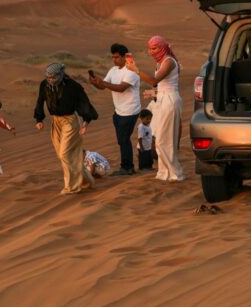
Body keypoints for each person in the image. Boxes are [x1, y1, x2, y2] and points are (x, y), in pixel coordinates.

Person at [34, 62, 99, 195]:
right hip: (56, 121)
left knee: (65, 153)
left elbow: (84, 103)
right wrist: (39, 119)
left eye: (53, 77)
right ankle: (87, 181)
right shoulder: (44, 85)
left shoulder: (73, 86)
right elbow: (40, 101)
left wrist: (86, 122)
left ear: (60, 75)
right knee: (64, 155)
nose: (50, 80)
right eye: (48, 77)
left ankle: (71, 187)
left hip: (70, 121)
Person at [134, 36, 185, 182]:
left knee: (164, 139)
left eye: (154, 48)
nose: (151, 51)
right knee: (161, 138)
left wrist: (136, 70)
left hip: (170, 101)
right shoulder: (160, 62)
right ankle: (165, 173)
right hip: (162, 100)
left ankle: (175, 173)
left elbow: (154, 81)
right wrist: (153, 93)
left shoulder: (168, 61)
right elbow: (161, 86)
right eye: (150, 48)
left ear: (162, 47)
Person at [88, 43, 142, 176]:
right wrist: (96, 84)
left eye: (117, 57)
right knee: (122, 140)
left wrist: (103, 83)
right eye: (112, 57)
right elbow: (103, 86)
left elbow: (121, 88)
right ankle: (127, 166)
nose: (114, 60)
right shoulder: (113, 70)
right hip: (118, 111)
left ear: (124, 57)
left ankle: (127, 167)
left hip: (130, 111)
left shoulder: (131, 71)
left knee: (124, 139)